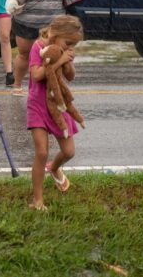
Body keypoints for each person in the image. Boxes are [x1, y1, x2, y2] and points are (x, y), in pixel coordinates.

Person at [27, 15, 83, 211]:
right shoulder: (38, 47)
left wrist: (69, 61)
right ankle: (37, 200)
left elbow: (70, 77)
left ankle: (54, 167)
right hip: (38, 104)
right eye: (68, 43)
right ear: (56, 34)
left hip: (58, 104)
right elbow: (36, 75)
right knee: (41, 151)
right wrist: (58, 61)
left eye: (73, 45)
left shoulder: (64, 50)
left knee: (69, 152)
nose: (69, 47)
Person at [3, 0, 71, 96]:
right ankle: (17, 85)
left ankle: (49, 87)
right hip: (27, 20)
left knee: (51, 55)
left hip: (54, 23)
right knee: (25, 54)